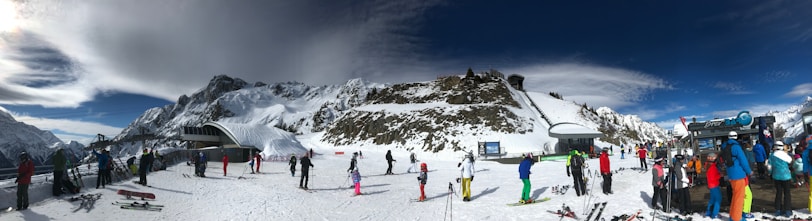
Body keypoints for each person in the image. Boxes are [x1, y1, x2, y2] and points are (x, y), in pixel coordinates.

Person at [722, 131, 752, 221]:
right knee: (739, 197)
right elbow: (743, 161)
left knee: (735, 196)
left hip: (731, 174)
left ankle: (732, 215)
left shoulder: (724, 146)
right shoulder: (736, 147)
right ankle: (737, 218)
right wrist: (749, 171)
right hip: (739, 175)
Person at [769, 141, 792, 217]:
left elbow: (769, 166)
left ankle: (778, 210)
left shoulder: (772, 155)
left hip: (776, 176)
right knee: (787, 194)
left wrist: (770, 173)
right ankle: (788, 210)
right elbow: (790, 161)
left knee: (778, 193)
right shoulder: (784, 155)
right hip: (786, 176)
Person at [705, 153, 722, 219]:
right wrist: (720, 175)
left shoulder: (709, 166)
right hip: (714, 185)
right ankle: (715, 213)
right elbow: (713, 178)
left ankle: (709, 211)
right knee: (718, 199)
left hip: (711, 185)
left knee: (712, 199)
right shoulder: (712, 167)